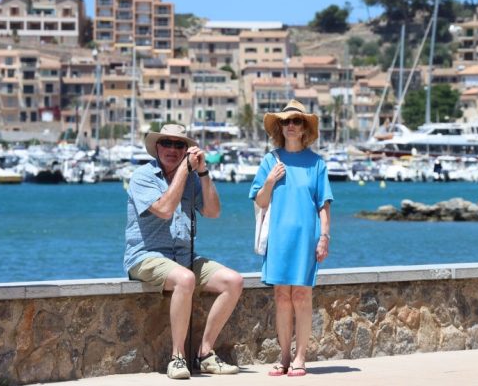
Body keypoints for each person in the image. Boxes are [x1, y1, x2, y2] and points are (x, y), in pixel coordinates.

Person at [124, 124, 243, 379]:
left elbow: (213, 212)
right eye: (166, 143)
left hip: (183, 257)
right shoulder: (142, 177)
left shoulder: (192, 178)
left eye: (180, 145)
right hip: (145, 256)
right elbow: (165, 210)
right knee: (185, 278)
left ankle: (205, 353)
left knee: (234, 281)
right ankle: (178, 358)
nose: (172, 149)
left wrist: (203, 173)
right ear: (157, 147)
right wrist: (183, 171)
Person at [249, 100, 333, 377]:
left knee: (301, 295)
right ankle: (284, 357)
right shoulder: (269, 161)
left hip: (306, 238)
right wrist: (271, 180)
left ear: (305, 127)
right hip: (278, 238)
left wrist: (324, 236)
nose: (291, 126)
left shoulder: (316, 163)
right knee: (282, 297)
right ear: (280, 128)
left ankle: (300, 358)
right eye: (286, 122)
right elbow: (260, 201)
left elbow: (323, 203)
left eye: (296, 121)